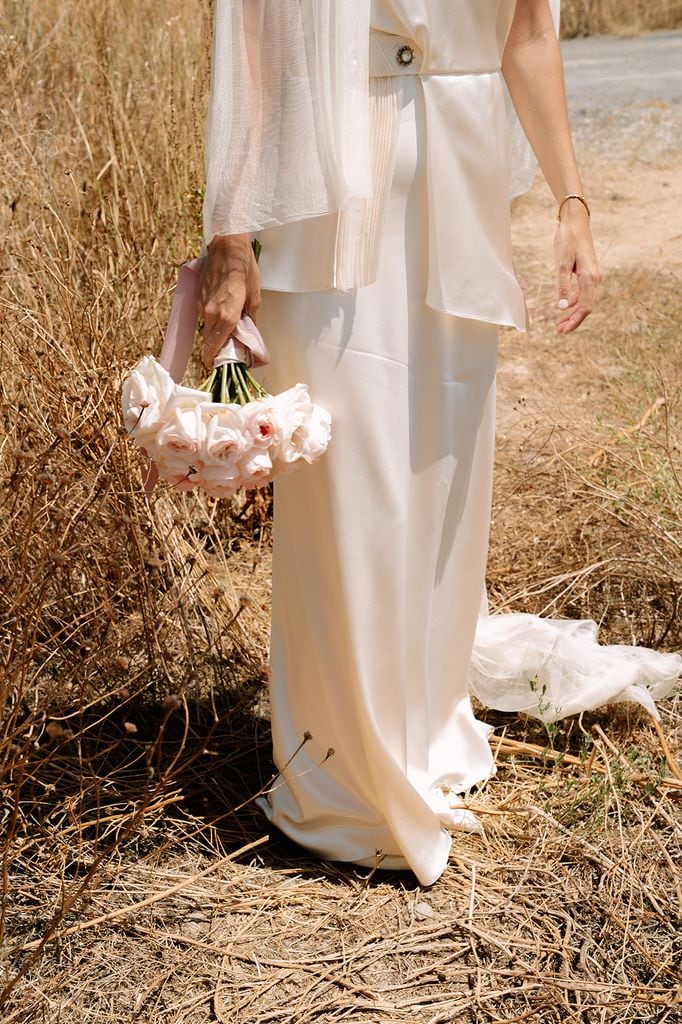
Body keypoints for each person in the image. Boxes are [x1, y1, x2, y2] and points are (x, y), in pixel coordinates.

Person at [195, 1, 681, 886]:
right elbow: (252, 37)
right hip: (326, 207)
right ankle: (346, 783)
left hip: (463, 188)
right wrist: (230, 233)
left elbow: (528, 30)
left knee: (446, 481)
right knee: (352, 489)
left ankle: (424, 730)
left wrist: (572, 202)